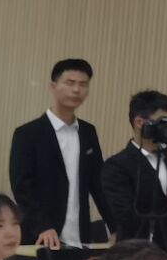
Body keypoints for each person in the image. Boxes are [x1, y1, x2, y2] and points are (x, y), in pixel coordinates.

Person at [9, 58, 108, 249]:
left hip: (80, 233)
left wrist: (114, 226)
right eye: (70, 83)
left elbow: (98, 183)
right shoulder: (28, 133)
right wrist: (42, 226)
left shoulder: (88, 132)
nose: (77, 90)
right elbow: (22, 186)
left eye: (83, 84)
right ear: (53, 87)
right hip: (41, 235)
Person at [100, 90, 167, 260]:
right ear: (140, 122)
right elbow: (124, 214)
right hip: (134, 257)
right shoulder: (116, 165)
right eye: (164, 121)